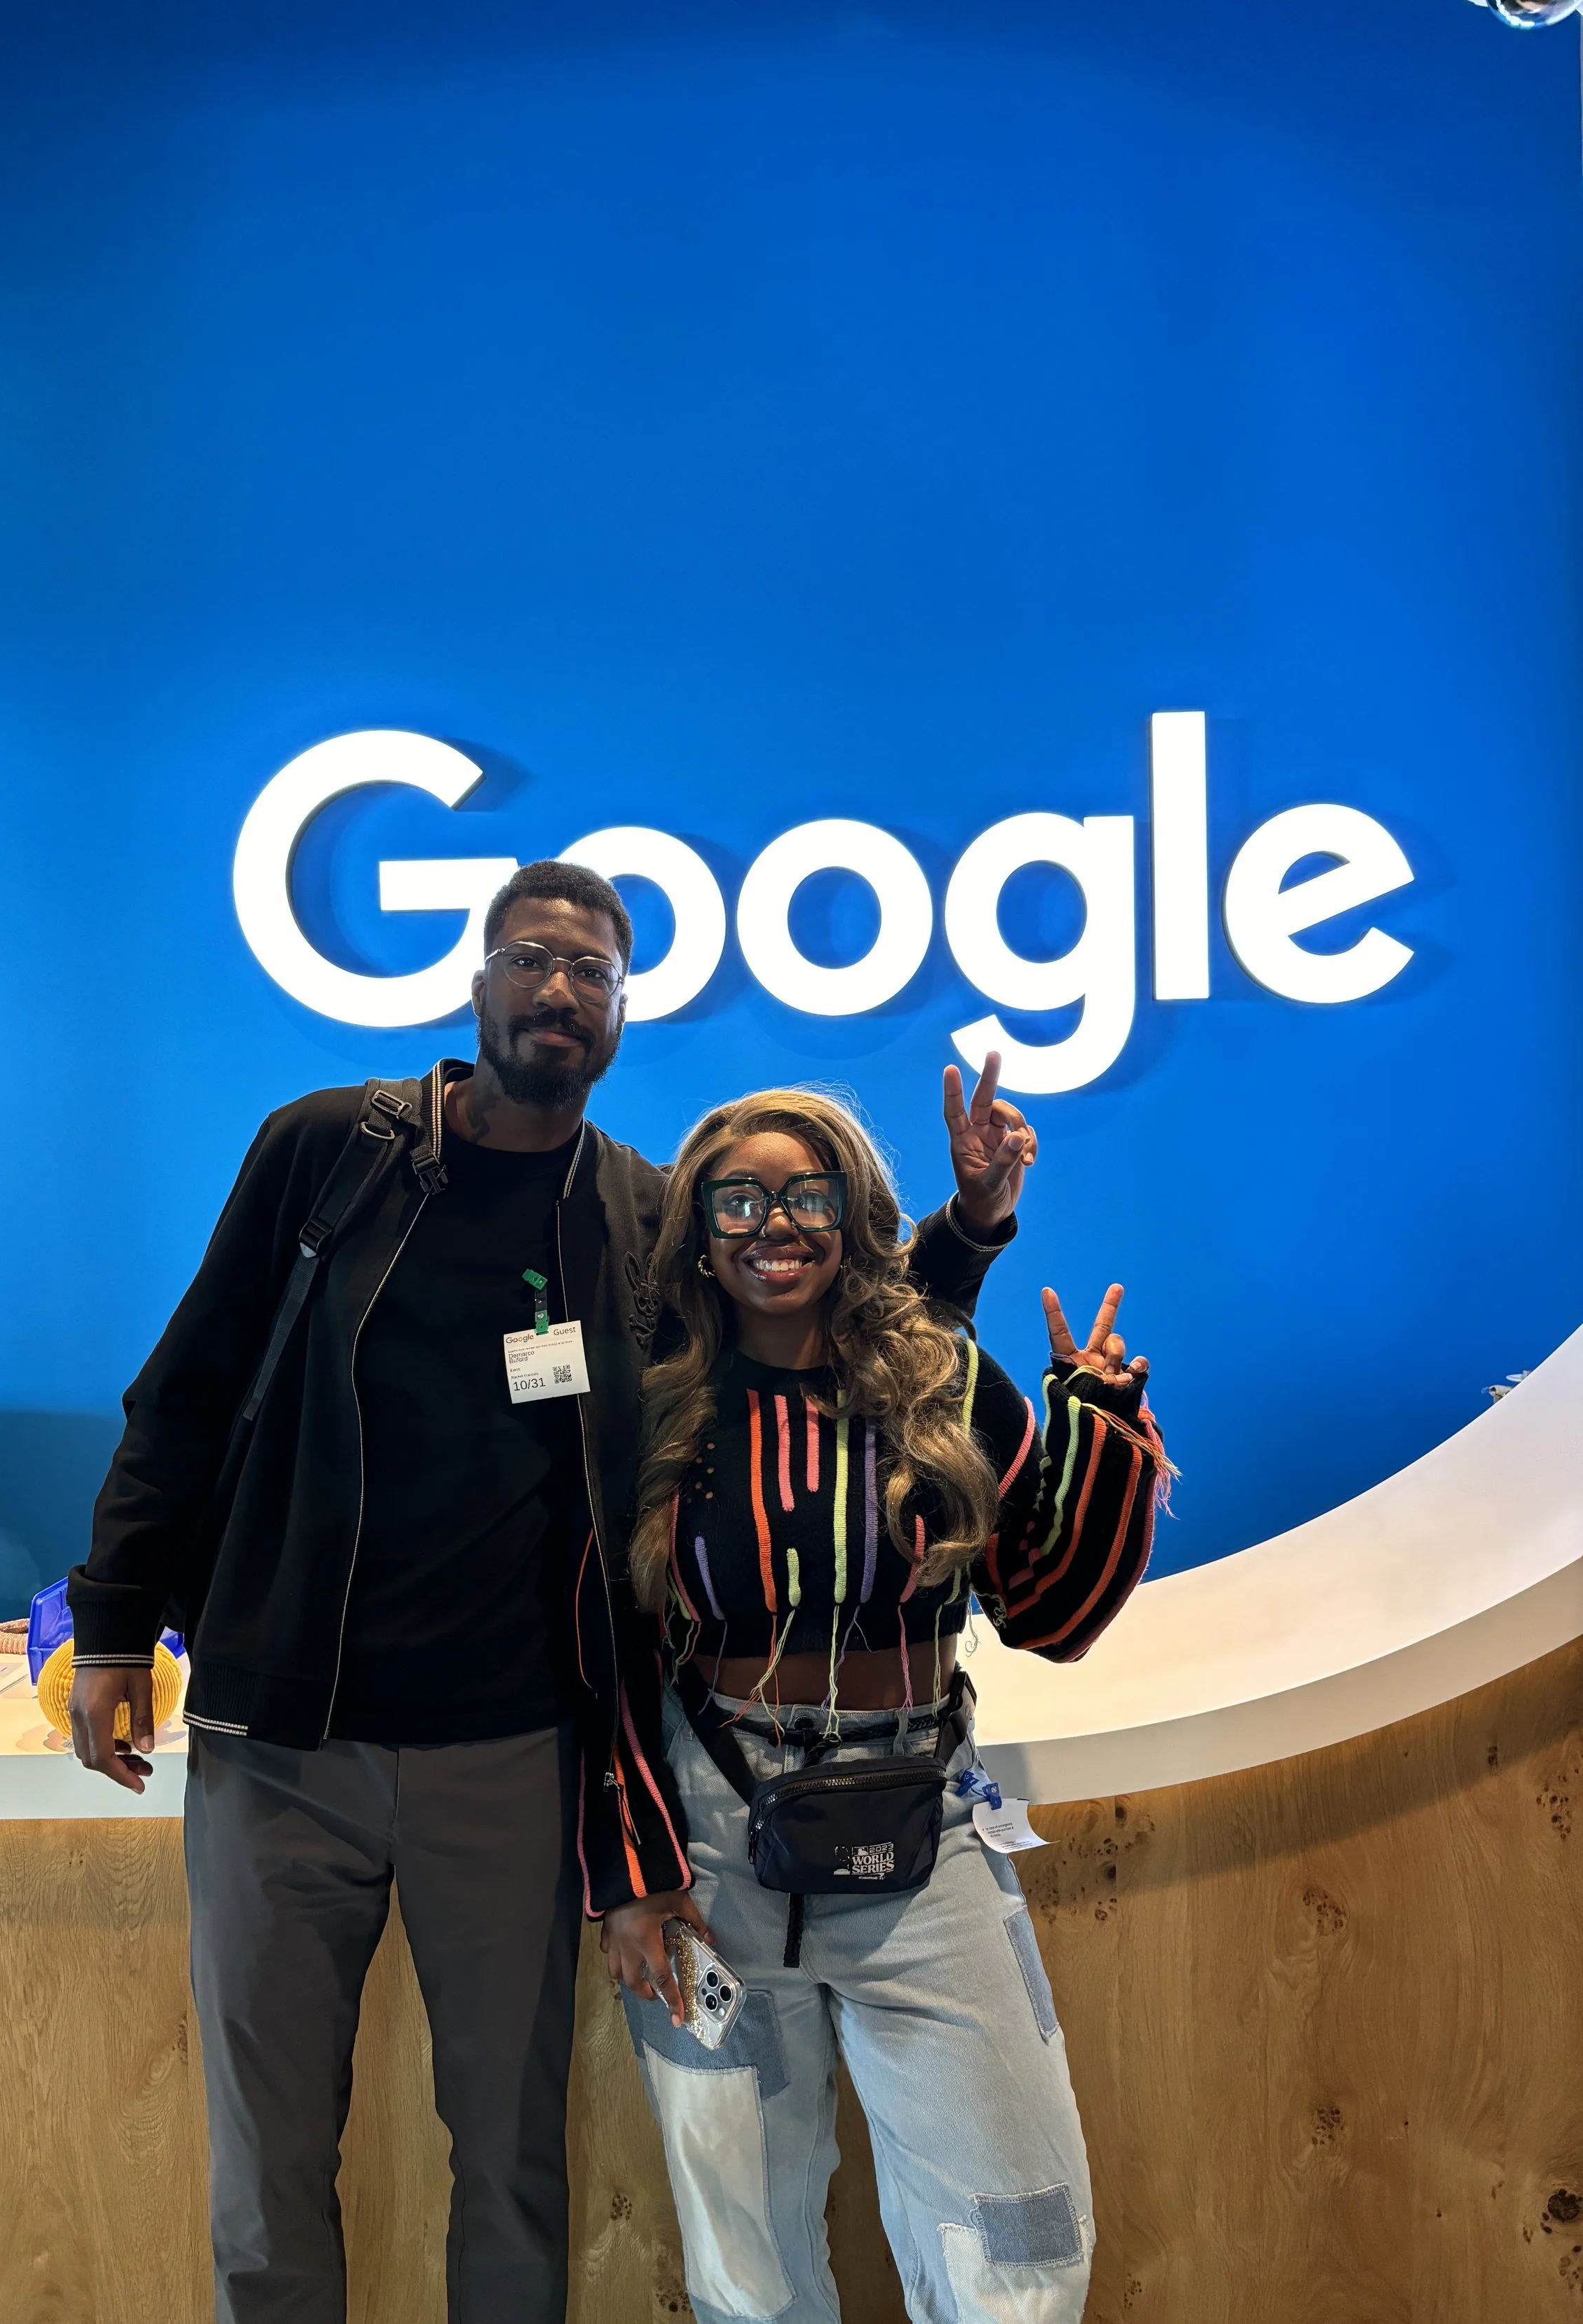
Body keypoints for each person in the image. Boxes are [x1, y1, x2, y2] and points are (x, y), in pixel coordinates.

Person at [64, 858, 1036, 2324]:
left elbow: (811, 1317)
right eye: (531, 959)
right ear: (481, 982)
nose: (559, 990)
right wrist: (111, 1623)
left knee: (512, 2158)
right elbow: (189, 1387)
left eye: (592, 971)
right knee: (267, 2165)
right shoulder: (328, 1152)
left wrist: (963, 1233)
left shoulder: (634, 1212)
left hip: (512, 1752)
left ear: (622, 1011)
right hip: (284, 1745)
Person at [600, 1088, 1169, 2324]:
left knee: (1024, 2238)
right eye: (740, 1200)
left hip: (925, 1831)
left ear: (854, 1217)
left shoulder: (945, 1385)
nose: (775, 1226)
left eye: (807, 1196)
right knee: (744, 2262)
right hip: (710, 1846)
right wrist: (632, 1873)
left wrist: (1104, 1430)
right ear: (698, 1228)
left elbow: (1051, 1613)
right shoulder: (651, 1406)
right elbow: (602, 1654)